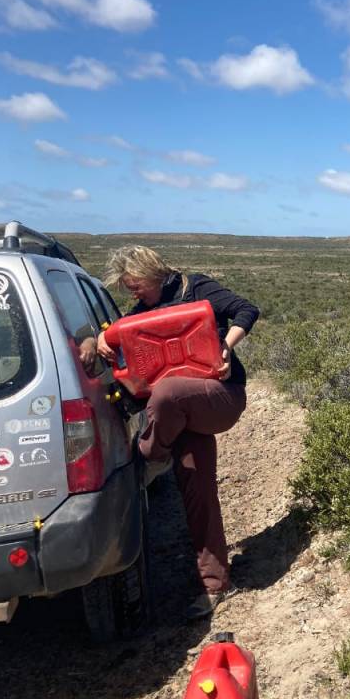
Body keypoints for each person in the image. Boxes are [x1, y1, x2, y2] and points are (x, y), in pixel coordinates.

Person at [97, 245, 260, 620]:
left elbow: (247, 310)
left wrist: (225, 346)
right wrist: (101, 340)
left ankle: (150, 456)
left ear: (150, 272)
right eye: (126, 286)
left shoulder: (196, 287)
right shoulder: (138, 315)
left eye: (133, 283)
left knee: (168, 392)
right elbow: (111, 347)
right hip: (180, 415)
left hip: (219, 397)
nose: (130, 290)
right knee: (196, 492)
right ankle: (215, 584)